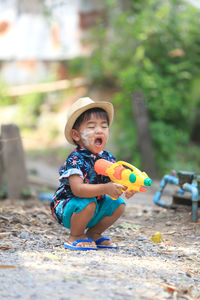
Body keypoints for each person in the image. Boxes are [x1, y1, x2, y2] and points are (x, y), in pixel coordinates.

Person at [50, 97, 136, 250]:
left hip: (93, 205)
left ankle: (93, 234)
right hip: (69, 206)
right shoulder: (76, 159)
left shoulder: (107, 157)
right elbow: (78, 190)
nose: (99, 130)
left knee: (118, 204)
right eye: (91, 127)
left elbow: (116, 181)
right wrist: (105, 188)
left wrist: (127, 187)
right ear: (76, 135)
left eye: (104, 126)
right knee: (88, 203)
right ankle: (75, 235)